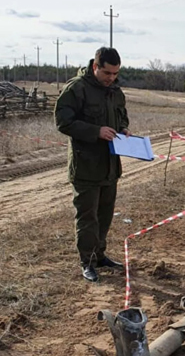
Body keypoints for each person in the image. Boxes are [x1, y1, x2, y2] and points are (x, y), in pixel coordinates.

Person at [55, 47, 130, 282]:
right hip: (86, 166)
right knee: (87, 217)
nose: (112, 78)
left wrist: (124, 128)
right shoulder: (77, 88)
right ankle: (86, 262)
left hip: (109, 166)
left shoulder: (115, 91)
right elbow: (63, 122)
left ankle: (100, 256)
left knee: (105, 215)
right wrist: (96, 131)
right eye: (108, 73)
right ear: (96, 67)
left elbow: (122, 115)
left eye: (115, 74)